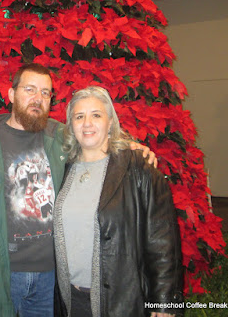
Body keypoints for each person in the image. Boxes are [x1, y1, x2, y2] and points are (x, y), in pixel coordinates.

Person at [0, 64, 156, 317]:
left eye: (45, 93)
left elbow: (94, 136)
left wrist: (130, 147)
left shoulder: (60, 138)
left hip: (50, 280)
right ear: (11, 95)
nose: (38, 99)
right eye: (30, 89)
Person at [53, 86, 183, 317]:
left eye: (96, 115)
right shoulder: (63, 169)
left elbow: (162, 239)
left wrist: (164, 303)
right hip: (71, 300)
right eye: (79, 116)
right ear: (71, 125)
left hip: (123, 301)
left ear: (110, 122)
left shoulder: (138, 167)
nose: (87, 123)